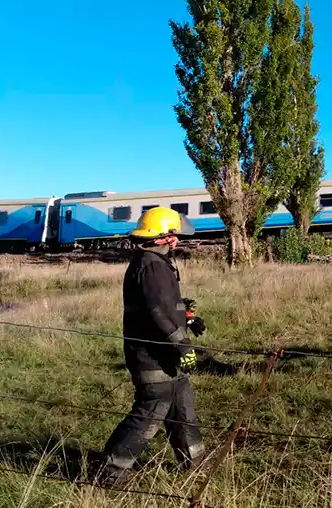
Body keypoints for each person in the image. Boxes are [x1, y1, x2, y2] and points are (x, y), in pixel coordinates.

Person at [94, 206, 207, 487]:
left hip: (166, 355)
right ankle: (111, 472)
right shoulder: (150, 266)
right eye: (174, 236)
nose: (177, 241)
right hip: (152, 356)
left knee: (182, 408)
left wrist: (188, 317)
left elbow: (168, 304)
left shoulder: (156, 263)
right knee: (151, 411)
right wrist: (183, 347)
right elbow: (158, 311)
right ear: (163, 237)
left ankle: (195, 463)